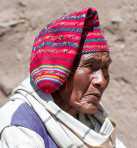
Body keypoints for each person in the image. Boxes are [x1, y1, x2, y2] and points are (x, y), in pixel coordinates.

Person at [0, 8, 126, 148]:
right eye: (91, 66)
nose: (102, 81)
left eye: (105, 68)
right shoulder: (21, 128)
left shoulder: (95, 119)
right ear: (58, 71)